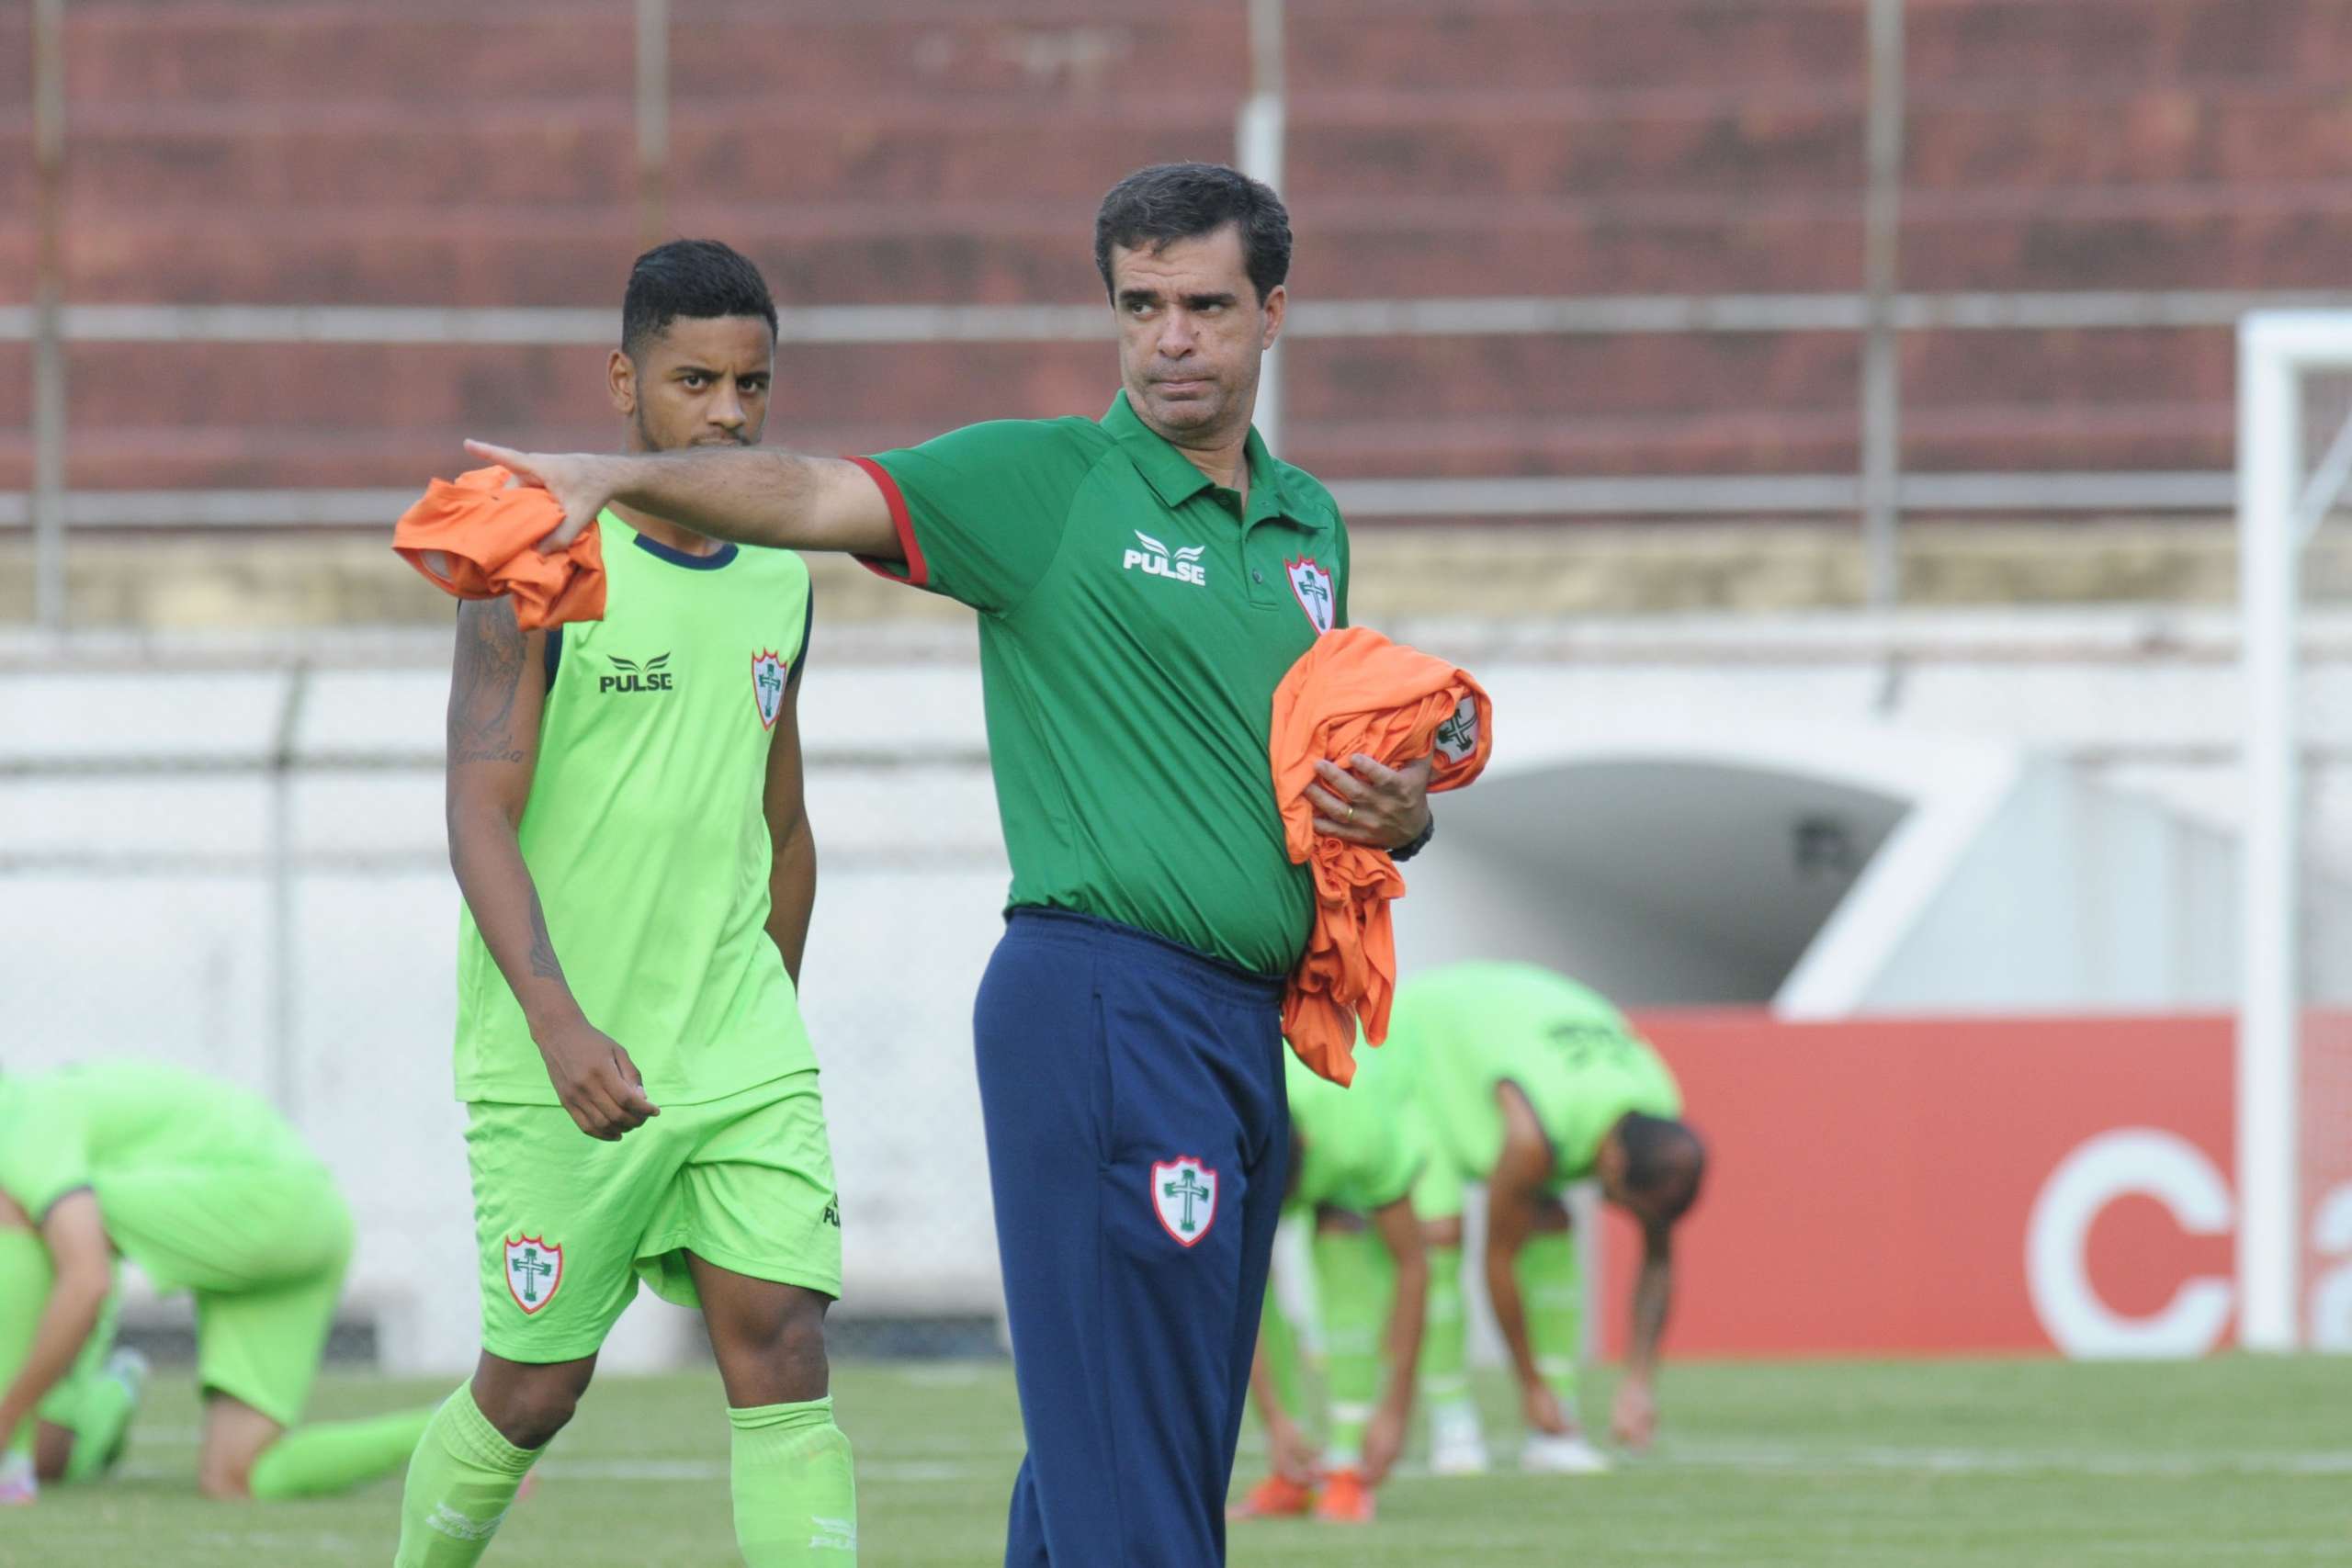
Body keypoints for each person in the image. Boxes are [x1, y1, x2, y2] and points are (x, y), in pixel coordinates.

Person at [463, 163, 1438, 1567]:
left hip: (1245, 1033)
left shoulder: (1309, 528)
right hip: (1106, 1000)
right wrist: (619, 477)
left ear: (1272, 314)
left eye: (1206, 306)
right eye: (1141, 305)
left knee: (1143, 1444)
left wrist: (1399, 815)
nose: (1170, 338)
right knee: (1137, 1480)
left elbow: (1307, 770)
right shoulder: (1046, 484)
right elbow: (816, 490)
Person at [394, 239, 854, 1566]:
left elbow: (783, 821)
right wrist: (558, 1026)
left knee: (783, 1342)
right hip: (562, 1045)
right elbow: (477, 811)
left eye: (751, 385)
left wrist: (762, 1018)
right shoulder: (537, 555)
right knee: (537, 1387)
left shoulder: (781, 570)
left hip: (738, 1049)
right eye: (693, 380)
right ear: (623, 381)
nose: (726, 412)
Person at [0, 1060, 436, 1505]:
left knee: (25, 1211)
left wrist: (8, 1419)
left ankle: (10, 1457)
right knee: (236, 1478)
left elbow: (88, 1279)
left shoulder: (23, 1125)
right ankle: (458, 1430)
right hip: (312, 1223)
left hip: (263, 1201)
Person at [1401, 962, 1705, 1474]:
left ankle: (1555, 1430)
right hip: (1424, 1045)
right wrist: (1529, 1385)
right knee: (1441, 1233)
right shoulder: (1531, 1135)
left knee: (1551, 1219)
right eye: (1630, 1206)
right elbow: (1497, 1261)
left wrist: (1638, 1383)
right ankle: (1454, 1425)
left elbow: (1659, 1255)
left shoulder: (1660, 1119)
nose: (1629, 1215)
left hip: (1514, 1032)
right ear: (1612, 1164)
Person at [1231, 1033, 1428, 1525]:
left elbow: (1412, 1266)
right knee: (1247, 1269)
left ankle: (1346, 1466)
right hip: (1263, 1135)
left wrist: (1396, 1408)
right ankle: (1294, 1467)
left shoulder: (1358, 1136)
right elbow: (1233, 1292)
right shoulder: (1224, 1135)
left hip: (1375, 1101)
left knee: (1341, 1232)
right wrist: (1275, 1419)